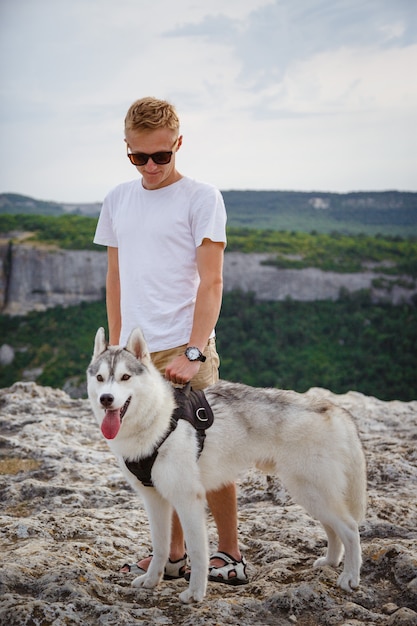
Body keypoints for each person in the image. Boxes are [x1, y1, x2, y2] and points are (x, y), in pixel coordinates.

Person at [93, 96, 248, 585]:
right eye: (139, 157)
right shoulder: (118, 199)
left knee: (209, 452)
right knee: (150, 458)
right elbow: (115, 276)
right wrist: (115, 344)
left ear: (179, 144)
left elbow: (212, 282)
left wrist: (194, 349)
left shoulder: (202, 198)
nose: (152, 166)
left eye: (162, 155)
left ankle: (230, 553)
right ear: (127, 149)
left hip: (185, 348)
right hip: (134, 357)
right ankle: (174, 554)